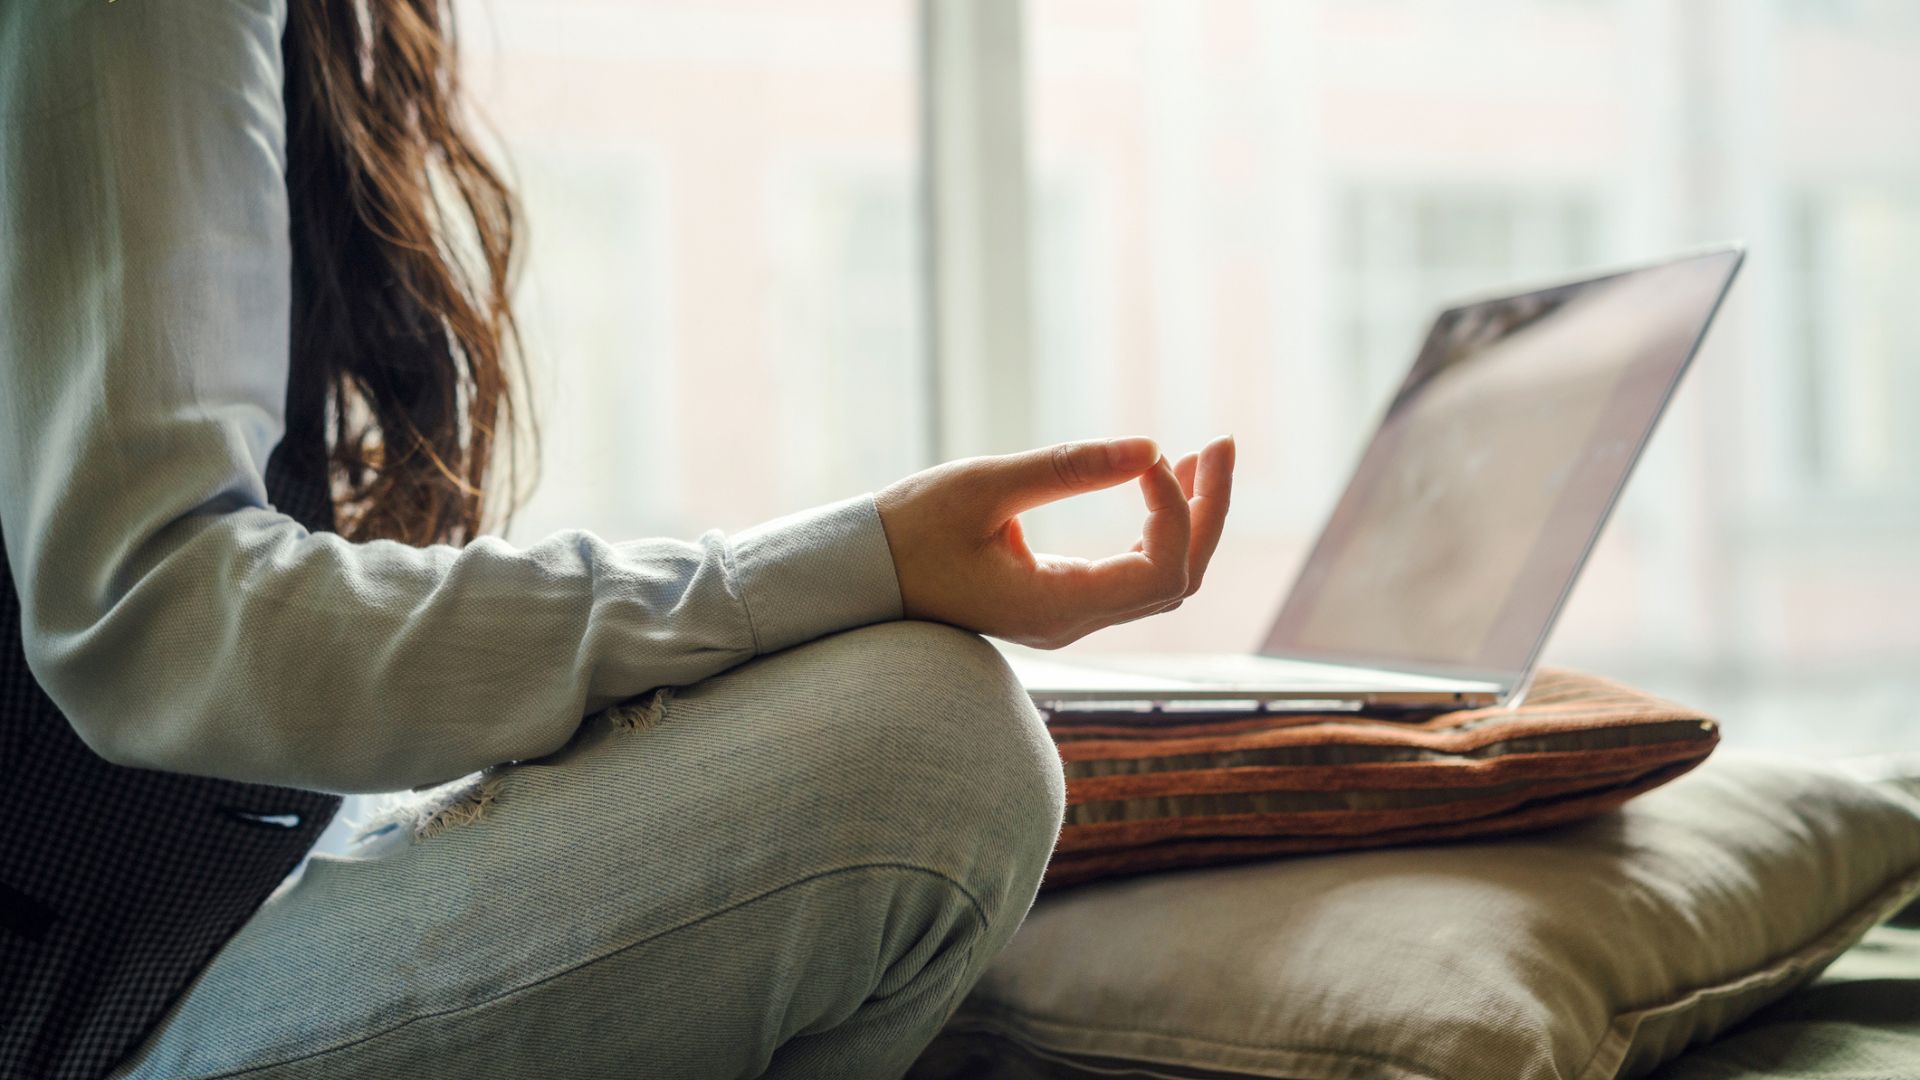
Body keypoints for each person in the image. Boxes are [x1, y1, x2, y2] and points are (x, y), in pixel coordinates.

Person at [0, 1, 1235, 1077]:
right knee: (931, 750)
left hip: (228, 907)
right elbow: (153, 615)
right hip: (83, 1014)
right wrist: (856, 565)